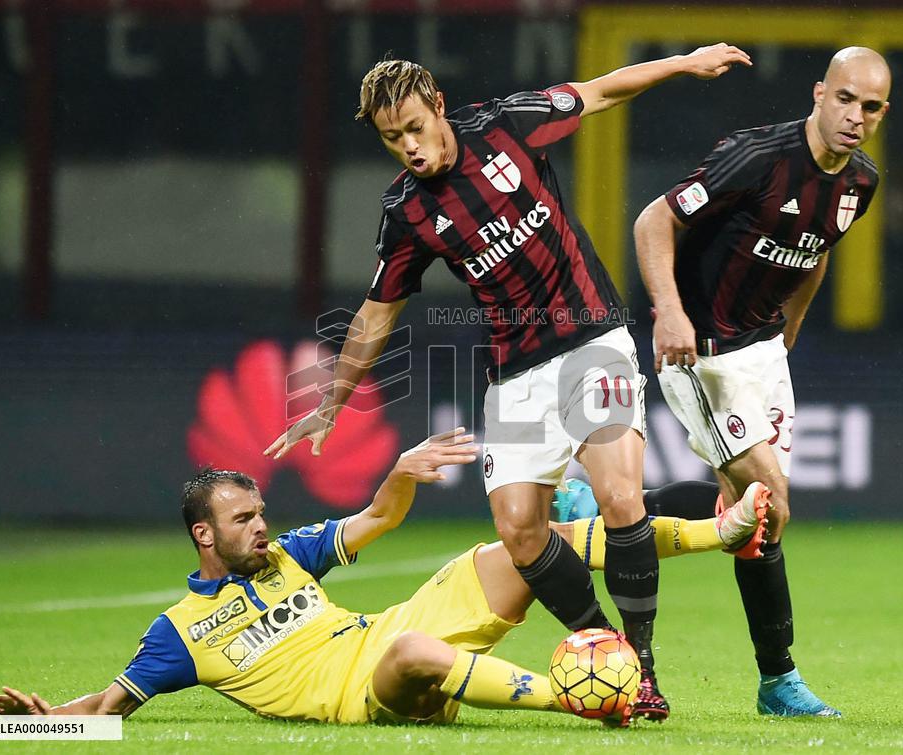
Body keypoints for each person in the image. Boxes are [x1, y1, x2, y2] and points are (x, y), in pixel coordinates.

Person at [264, 46, 753, 720]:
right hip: (516, 372)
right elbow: (378, 313)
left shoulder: (507, 126)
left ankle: (639, 667)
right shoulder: (407, 212)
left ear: (437, 103)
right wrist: (331, 403)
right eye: (390, 138)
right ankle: (601, 644)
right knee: (521, 531)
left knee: (618, 493)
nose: (407, 146)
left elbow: (602, 91)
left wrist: (683, 62)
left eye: (413, 126)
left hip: (591, 338)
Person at [0, 429, 767, 727]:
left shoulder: (289, 552)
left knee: (524, 544)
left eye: (261, 510)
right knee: (411, 652)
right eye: (244, 518)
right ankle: (588, 693)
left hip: (398, 622)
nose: (262, 524)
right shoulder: (177, 633)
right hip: (367, 688)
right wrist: (31, 721)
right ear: (203, 535)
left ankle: (715, 530)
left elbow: (376, 521)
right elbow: (108, 707)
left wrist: (399, 472)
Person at [632, 46, 891, 718]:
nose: (855, 116)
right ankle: (779, 680)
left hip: (761, 351)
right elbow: (653, 219)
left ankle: (613, 509)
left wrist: (789, 330)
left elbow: (818, 252)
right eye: (845, 99)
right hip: (701, 352)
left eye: (871, 106)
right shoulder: (759, 158)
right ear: (818, 94)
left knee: (748, 520)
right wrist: (669, 313)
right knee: (768, 500)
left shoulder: (860, 182)